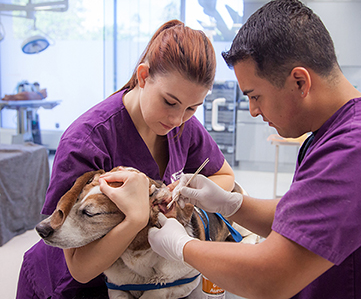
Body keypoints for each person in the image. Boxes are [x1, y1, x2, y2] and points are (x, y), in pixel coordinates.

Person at [127, 0, 361, 298]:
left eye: (255, 95)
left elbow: (269, 277)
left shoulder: (360, 151)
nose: (252, 110)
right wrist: (232, 204)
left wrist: (182, 246)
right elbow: (310, 217)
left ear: (299, 82)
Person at [16, 19, 235, 299]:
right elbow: (80, 269)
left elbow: (224, 176)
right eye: (169, 102)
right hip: (75, 285)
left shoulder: (183, 126)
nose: (177, 119)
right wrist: (137, 216)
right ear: (143, 76)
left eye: (192, 107)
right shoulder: (86, 140)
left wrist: (186, 192)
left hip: (142, 279)